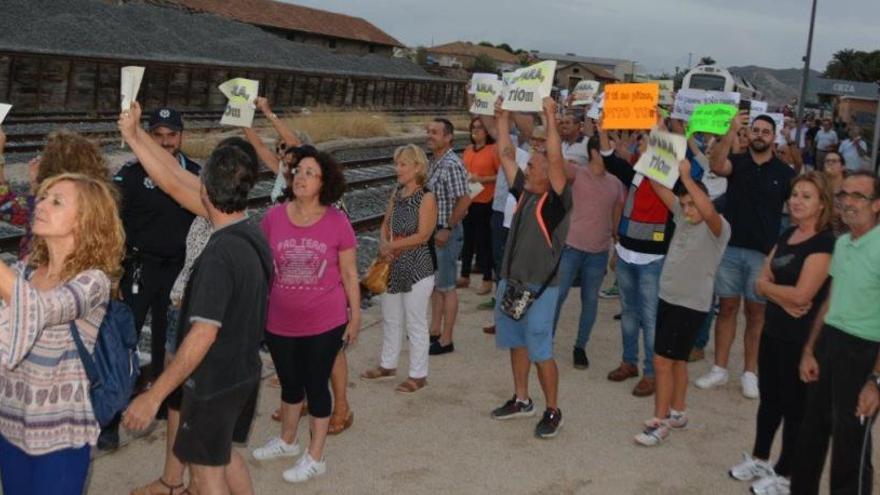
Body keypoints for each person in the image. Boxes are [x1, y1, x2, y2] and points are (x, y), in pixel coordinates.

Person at [123, 144, 271, 495]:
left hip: (213, 381)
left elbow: (203, 334)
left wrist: (153, 396)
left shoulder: (217, 256)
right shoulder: (253, 234)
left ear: (203, 190)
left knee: (205, 476)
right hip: (242, 370)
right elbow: (174, 177)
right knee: (223, 457)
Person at [0, 173, 123, 495]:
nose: (41, 204)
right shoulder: (25, 270)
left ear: (83, 221)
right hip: (10, 425)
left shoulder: (93, 282)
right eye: (43, 197)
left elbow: (40, 309)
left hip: (60, 437)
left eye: (57, 201)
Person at [251, 148, 361, 483]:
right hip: (280, 319)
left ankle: (315, 456)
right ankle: (287, 441)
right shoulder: (273, 218)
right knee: (289, 382)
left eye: (310, 172)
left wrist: (355, 316)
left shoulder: (337, 221)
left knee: (316, 384)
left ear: (324, 182)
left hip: (324, 320)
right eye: (298, 170)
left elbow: (349, 273)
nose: (301, 176)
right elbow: (262, 267)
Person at [727, 172, 834, 495]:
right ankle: (760, 458)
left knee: (795, 409)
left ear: (822, 205)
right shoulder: (787, 233)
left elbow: (804, 297)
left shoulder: (824, 243)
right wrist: (776, 292)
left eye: (806, 196)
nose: (796, 201)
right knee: (770, 400)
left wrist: (772, 290)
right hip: (773, 331)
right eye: (795, 195)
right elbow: (760, 282)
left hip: (801, 339)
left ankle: (786, 474)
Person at [790, 171, 880, 494]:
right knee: (810, 433)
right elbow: (830, 299)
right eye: (844, 195)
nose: (849, 202)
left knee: (850, 445)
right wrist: (810, 349)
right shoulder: (842, 243)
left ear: (877, 205)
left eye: (859, 196)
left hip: (864, 352)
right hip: (829, 342)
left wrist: (875, 381)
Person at [698, 112, 796, 399]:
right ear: (749, 133)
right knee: (726, 309)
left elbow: (797, 213)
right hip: (730, 249)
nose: (760, 135)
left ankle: (750, 373)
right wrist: (731, 130)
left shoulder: (784, 173)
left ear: (773, 137)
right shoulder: (738, 163)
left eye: (766, 131)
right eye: (755, 130)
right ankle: (719, 368)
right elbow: (716, 164)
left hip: (763, 255)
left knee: (756, 314)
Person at [490, 96, 571, 439]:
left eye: (533, 168)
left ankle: (553, 409)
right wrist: (503, 118)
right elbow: (506, 155)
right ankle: (522, 399)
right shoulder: (524, 193)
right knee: (516, 343)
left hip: (540, 289)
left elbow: (554, 158)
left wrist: (550, 117)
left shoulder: (556, 203)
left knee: (541, 350)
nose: (528, 170)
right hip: (512, 283)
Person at [633, 160, 730, 447]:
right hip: (669, 298)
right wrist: (656, 148)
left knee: (661, 360)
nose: (688, 209)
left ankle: (659, 422)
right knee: (675, 361)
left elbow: (708, 210)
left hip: (690, 304)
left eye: (693, 204)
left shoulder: (718, 227)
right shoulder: (681, 215)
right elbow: (657, 184)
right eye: (684, 204)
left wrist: (686, 177)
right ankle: (678, 412)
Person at [113, 108, 200, 427]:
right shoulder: (132, 174)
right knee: (126, 337)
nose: (165, 143)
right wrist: (115, 272)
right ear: (148, 137)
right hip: (139, 269)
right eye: (158, 136)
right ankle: (113, 410)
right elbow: (113, 224)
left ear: (181, 136)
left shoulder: (195, 175)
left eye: (171, 135)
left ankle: (163, 402)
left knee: (170, 341)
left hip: (176, 272)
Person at [600, 125, 673, 397]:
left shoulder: (668, 176)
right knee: (629, 313)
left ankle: (652, 373)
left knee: (651, 318)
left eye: (643, 143)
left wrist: (660, 128)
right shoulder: (636, 173)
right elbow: (609, 158)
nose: (637, 145)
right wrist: (601, 129)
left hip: (653, 258)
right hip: (627, 253)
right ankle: (628, 362)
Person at [361, 144, 437, 392]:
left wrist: (392, 245)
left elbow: (423, 235)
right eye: (397, 163)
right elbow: (385, 223)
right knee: (391, 317)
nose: (398, 168)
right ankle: (387, 364)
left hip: (416, 265)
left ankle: (418, 374)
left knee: (416, 321)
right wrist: (384, 243)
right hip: (393, 264)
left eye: (403, 164)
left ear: (417, 167)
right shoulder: (397, 193)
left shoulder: (426, 196)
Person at [553, 134, 624, 369]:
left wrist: (616, 249)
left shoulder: (616, 183)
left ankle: (580, 347)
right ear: (595, 152)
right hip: (571, 247)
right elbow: (556, 159)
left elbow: (616, 223)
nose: (611, 155)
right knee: (558, 296)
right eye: (607, 149)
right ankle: (545, 340)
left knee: (590, 301)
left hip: (598, 252)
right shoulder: (577, 173)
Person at [0, 128, 110, 258]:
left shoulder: (50, 205)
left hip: (35, 273)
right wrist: (36, 185)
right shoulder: (95, 197)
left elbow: (6, 207)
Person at [426, 118, 470, 355]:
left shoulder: (451, 164)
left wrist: (448, 228)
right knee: (436, 285)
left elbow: (464, 199)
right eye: (428, 131)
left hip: (446, 232)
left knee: (447, 286)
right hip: (434, 232)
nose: (429, 135)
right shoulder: (435, 161)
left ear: (448, 137)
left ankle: (447, 339)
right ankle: (435, 330)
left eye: (435, 132)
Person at [457, 117, 499, 296]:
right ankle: (464, 275)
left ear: (487, 131)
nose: (476, 131)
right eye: (473, 128)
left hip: (485, 200)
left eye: (480, 128)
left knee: (484, 242)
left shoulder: (493, 150)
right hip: (468, 200)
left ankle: (487, 279)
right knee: (467, 240)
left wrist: (482, 179)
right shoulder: (467, 150)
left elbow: (501, 176)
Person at [243, 96, 304, 204]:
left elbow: (295, 144)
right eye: (278, 148)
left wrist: (267, 112)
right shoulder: (282, 169)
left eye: (284, 146)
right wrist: (242, 121)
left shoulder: (305, 169)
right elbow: (260, 146)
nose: (280, 151)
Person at [823, 151, 849, 236]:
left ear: (843, 167)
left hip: (841, 237)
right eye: (827, 161)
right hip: (820, 236)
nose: (830, 163)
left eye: (834, 161)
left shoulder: (849, 190)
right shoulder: (819, 187)